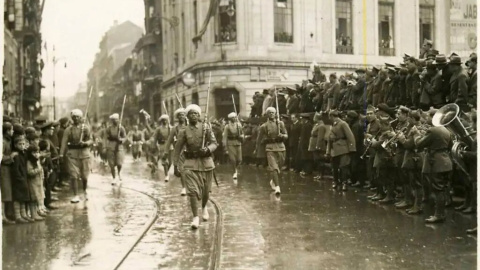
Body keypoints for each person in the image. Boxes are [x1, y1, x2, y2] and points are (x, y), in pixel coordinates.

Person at [173, 104, 218, 229]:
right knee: (192, 192)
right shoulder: (183, 131)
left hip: (206, 163)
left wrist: (208, 149)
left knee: (206, 192)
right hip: (190, 164)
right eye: (191, 114)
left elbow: (214, 143)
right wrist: (175, 164)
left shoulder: (205, 128)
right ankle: (195, 217)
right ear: (187, 116)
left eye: (196, 114)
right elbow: (177, 149)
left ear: (199, 116)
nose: (194, 115)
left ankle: (203, 207)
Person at [413, 119, 453, 223]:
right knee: (442, 189)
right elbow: (450, 146)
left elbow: (419, 144)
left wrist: (416, 134)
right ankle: (441, 213)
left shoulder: (433, 130)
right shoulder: (446, 130)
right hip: (445, 162)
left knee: (438, 189)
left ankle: (439, 215)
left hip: (436, 163)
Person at [60, 109, 93, 203]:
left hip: (84, 154)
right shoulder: (68, 129)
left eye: (78, 117)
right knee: (73, 175)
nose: (76, 118)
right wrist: (61, 154)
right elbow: (64, 142)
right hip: (72, 154)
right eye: (74, 117)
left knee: (85, 176)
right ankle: (75, 195)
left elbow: (91, 140)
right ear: (72, 118)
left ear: (81, 117)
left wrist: (85, 143)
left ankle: (84, 190)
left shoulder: (85, 128)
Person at [255, 107, 288, 194]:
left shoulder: (280, 123)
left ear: (276, 113)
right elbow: (259, 139)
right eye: (270, 112)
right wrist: (257, 148)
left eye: (273, 112)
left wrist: (283, 136)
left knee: (279, 166)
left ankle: (273, 180)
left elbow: (286, 135)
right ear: (267, 114)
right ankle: (277, 187)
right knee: (274, 168)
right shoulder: (264, 126)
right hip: (270, 148)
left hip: (281, 147)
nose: (272, 114)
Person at [326, 110, 356, 191]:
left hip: (343, 148)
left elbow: (350, 136)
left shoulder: (343, 124)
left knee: (344, 167)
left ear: (332, 116)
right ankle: (336, 181)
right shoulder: (333, 124)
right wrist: (328, 151)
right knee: (334, 167)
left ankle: (344, 183)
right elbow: (329, 139)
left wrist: (352, 149)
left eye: (330, 116)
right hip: (334, 149)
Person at [165, 108, 188, 195]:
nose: (182, 117)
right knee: (182, 170)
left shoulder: (189, 126)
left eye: (183, 115)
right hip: (180, 151)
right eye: (180, 115)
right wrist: (166, 152)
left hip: (190, 151)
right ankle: (184, 188)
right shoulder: (175, 129)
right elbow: (169, 141)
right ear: (178, 117)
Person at [103, 113, 127, 185]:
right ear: (112, 120)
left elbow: (125, 137)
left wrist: (121, 140)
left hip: (119, 146)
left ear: (119, 120)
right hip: (111, 146)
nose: (115, 121)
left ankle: (119, 173)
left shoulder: (121, 128)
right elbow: (105, 138)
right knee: (112, 164)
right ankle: (114, 178)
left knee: (119, 163)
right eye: (114, 120)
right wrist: (104, 147)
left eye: (117, 119)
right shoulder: (109, 128)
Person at [1, 122, 15, 224]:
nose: (13, 131)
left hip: (7, 169)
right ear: (7, 131)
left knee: (7, 193)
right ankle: (3, 216)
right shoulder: (3, 142)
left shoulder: (7, 141)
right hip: (3, 170)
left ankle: (6, 215)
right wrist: (11, 156)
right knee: (4, 194)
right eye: (11, 130)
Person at [222, 112, 244, 180]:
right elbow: (224, 137)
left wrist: (242, 136)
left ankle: (236, 168)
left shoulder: (239, 125)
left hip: (238, 142)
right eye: (233, 118)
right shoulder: (227, 126)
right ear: (230, 119)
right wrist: (225, 147)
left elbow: (243, 134)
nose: (234, 119)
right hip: (230, 143)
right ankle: (234, 171)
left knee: (239, 159)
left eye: (235, 117)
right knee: (233, 159)